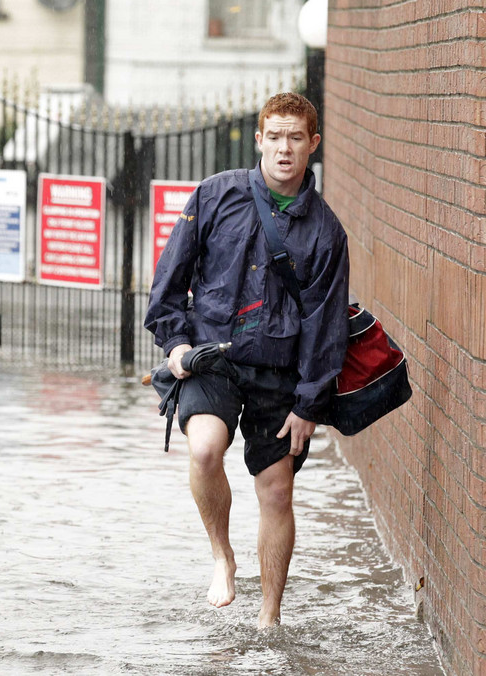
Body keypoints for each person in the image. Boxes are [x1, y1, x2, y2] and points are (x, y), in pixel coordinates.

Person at [144, 92, 349, 628]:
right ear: (259, 140)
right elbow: (167, 285)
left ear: (313, 146)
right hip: (213, 360)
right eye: (275, 136)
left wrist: (308, 404)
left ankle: (270, 618)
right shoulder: (215, 196)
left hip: (280, 374)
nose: (285, 148)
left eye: (296, 138)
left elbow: (326, 329)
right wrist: (177, 346)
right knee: (206, 450)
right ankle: (222, 556)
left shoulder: (327, 232)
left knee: (277, 490)